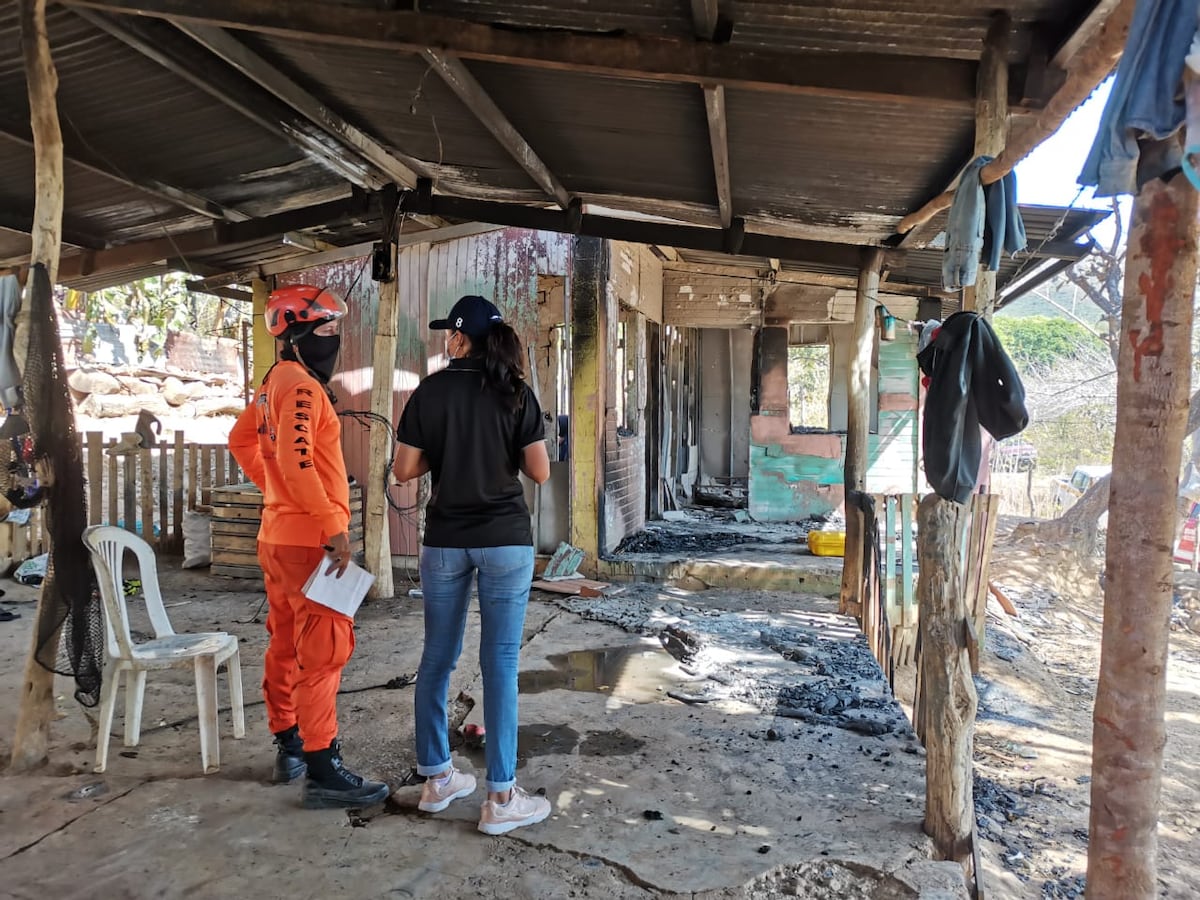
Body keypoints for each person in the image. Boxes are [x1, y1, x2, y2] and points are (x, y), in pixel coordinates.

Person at [393, 294, 551, 835]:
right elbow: (539, 472)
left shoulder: (430, 392)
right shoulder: (515, 391)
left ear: (461, 339)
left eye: (449, 333)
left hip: (445, 540)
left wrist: (449, 448)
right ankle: (501, 797)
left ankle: (437, 780)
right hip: (505, 540)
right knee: (500, 664)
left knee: (437, 657)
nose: (446, 340)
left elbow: (404, 470)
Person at [229, 284, 389, 810]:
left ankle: (289, 744)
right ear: (294, 336)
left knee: (284, 641)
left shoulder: (271, 384)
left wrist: (272, 486)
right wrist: (329, 523)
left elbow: (242, 441)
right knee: (323, 651)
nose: (333, 340)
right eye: (323, 330)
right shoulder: (301, 388)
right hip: (310, 543)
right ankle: (323, 768)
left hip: (277, 537)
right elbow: (298, 463)